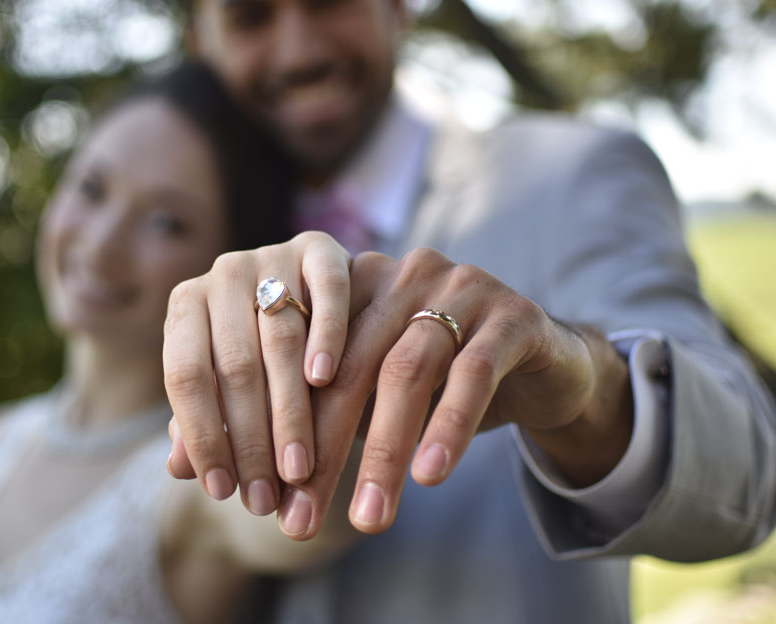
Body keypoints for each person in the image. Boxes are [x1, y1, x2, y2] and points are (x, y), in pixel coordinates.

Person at [164, 0, 776, 621]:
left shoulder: (570, 171)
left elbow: (746, 475)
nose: (299, 52)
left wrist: (583, 387)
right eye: (250, 17)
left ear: (398, 9)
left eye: (330, 3)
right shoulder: (178, 236)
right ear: (200, 44)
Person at [0, 62, 358, 624]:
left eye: (166, 223)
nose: (102, 242)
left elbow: (314, 514)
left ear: (229, 262)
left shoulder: (197, 477)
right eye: (91, 189)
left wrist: (335, 331)